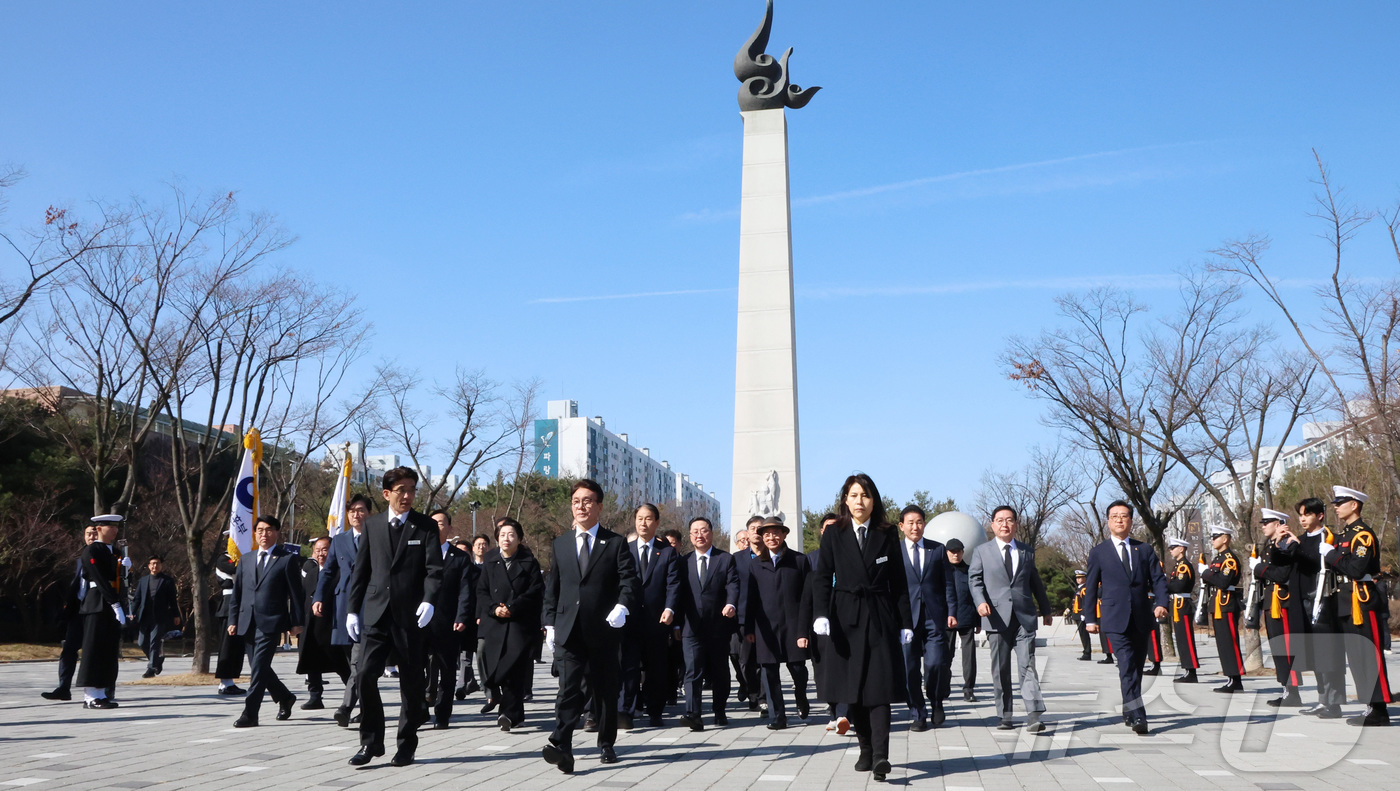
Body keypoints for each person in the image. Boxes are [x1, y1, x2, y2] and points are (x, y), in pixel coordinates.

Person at [813, 474, 913, 783]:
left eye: (866, 495)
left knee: (879, 689)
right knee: (852, 690)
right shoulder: (834, 534)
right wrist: (821, 614)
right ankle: (866, 747)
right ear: (845, 499)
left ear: (874, 500)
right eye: (854, 495)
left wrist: (905, 622)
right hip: (844, 618)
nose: (860, 501)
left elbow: (898, 584)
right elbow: (822, 576)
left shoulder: (886, 534)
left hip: (880, 617)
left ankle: (882, 756)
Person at [345, 467, 445, 767]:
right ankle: (371, 742)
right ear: (387, 493)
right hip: (376, 614)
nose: (407, 495)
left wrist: (429, 601)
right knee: (364, 675)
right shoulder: (372, 526)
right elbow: (361, 571)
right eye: (401, 489)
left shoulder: (425, 526)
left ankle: (406, 744)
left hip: (410, 617)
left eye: (412, 489)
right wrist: (352, 609)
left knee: (411, 685)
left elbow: (434, 571)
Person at [541, 479, 641, 774]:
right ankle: (563, 746)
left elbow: (629, 581)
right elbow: (553, 587)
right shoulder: (560, 543)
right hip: (569, 630)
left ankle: (606, 743)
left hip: (603, 630)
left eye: (587, 501)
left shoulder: (615, 543)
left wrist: (622, 606)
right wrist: (549, 623)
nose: (581, 506)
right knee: (568, 690)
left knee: (605, 690)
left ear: (599, 506)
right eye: (576, 501)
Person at [1082, 500, 1169, 735]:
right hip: (1114, 618)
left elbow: (1159, 579)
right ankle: (1138, 715)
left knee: (1137, 667)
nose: (1119, 520)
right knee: (1127, 664)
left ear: (1131, 520)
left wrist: (1161, 603)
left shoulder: (1145, 549)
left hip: (1141, 617)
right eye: (1115, 516)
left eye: (1124, 516)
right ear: (1108, 521)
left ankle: (1129, 709)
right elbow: (1090, 588)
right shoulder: (1099, 552)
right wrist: (1090, 618)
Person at [968, 505, 1052, 732]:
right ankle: (1005, 715)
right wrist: (980, 602)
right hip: (996, 618)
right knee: (1001, 669)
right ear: (992, 525)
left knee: (1028, 666)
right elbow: (974, 581)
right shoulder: (982, 551)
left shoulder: (1026, 551)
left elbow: (1035, 583)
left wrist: (1046, 610)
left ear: (1016, 524)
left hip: (1024, 618)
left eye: (1009, 520)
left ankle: (1034, 715)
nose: (1004, 524)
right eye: (999, 520)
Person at [1321, 486, 1393, 726]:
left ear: (1354, 505)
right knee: (1356, 657)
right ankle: (1370, 706)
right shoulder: (1343, 535)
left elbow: (1355, 569)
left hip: (1361, 601)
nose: (1336, 506)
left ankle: (1379, 709)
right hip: (1345, 601)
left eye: (1341, 502)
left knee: (1368, 655)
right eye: (1335, 502)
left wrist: (1331, 555)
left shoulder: (1362, 535)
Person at [229, 516, 305, 726]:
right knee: (258, 668)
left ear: (277, 532)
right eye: (260, 530)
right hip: (247, 621)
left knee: (259, 668)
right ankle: (285, 697)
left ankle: (250, 713)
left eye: (269, 530)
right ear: (255, 533)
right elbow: (238, 593)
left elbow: (296, 594)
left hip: (271, 621)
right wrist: (233, 619)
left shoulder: (286, 559)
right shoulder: (246, 559)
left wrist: (296, 622)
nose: (264, 534)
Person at [477, 517, 544, 731]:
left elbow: (535, 592)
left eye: (511, 535)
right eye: (502, 535)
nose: (506, 538)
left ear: (520, 539)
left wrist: (512, 608)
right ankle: (514, 712)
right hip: (494, 621)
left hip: (519, 622)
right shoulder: (490, 559)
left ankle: (507, 713)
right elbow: (482, 590)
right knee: (494, 665)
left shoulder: (529, 561)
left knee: (513, 668)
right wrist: (494, 608)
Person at [744, 517, 811, 729]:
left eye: (775, 533)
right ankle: (778, 717)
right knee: (769, 673)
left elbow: (807, 598)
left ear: (784, 535)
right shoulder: (755, 564)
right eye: (766, 534)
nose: (771, 538)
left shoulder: (799, 561)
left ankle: (801, 696)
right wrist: (748, 628)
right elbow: (750, 599)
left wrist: (804, 631)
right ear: (762, 538)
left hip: (793, 626)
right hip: (766, 628)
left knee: (798, 669)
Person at [621, 503, 681, 729]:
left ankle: (655, 710)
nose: (643, 523)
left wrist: (670, 608)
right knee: (628, 667)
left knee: (656, 668)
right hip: (629, 619)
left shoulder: (666, 552)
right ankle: (626, 711)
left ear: (656, 522)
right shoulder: (624, 549)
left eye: (648, 519)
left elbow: (673, 584)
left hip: (657, 620)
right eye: (639, 518)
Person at [897, 505, 957, 731]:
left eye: (919, 522)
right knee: (909, 668)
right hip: (906, 619)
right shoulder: (896, 551)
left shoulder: (938, 550)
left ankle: (936, 700)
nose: (915, 527)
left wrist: (951, 612)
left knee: (936, 664)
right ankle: (917, 713)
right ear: (902, 526)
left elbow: (948, 584)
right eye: (910, 523)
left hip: (935, 617)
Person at [678, 515, 740, 731]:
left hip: (718, 625)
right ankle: (693, 714)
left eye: (703, 530)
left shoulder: (725, 559)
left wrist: (731, 604)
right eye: (695, 531)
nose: (699, 535)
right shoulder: (682, 562)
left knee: (719, 670)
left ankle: (719, 710)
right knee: (692, 670)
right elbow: (677, 594)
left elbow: (733, 585)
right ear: (690, 536)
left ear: (711, 534)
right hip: (691, 626)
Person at [315, 493, 371, 726]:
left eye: (360, 510)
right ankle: (365, 706)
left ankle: (346, 707)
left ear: (369, 513)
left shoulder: (377, 536)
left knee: (359, 662)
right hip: (344, 604)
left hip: (369, 604)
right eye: (352, 511)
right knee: (353, 662)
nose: (356, 515)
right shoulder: (339, 540)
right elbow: (328, 572)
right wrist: (318, 597)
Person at [800, 513, 850, 731]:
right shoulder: (812, 563)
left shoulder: (850, 558)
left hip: (847, 625)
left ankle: (844, 715)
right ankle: (834, 712)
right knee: (825, 672)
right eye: (827, 528)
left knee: (846, 670)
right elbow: (805, 601)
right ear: (821, 532)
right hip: (820, 628)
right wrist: (802, 632)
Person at [1295, 497, 1344, 718]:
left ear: (1320, 516)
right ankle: (1322, 698)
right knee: (1315, 654)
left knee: (1328, 652)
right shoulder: (1301, 540)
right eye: (1301, 515)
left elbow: (1321, 562)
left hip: (1323, 600)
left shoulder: (1328, 537)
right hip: (1305, 599)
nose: (1302, 519)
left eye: (1307, 514)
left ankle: (1333, 702)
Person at [426, 509, 474, 729]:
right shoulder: (420, 554)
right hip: (421, 623)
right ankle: (418, 710)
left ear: (450, 528)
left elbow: (466, 590)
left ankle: (442, 714)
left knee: (446, 671)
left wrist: (462, 616)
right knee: (417, 668)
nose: (437, 527)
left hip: (448, 622)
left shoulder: (460, 558)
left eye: (441, 523)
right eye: (433, 523)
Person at [1251, 508, 1303, 707]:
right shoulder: (1270, 546)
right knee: (1278, 648)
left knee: (1287, 648)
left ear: (1279, 523)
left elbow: (1282, 574)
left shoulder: (1287, 544)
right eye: (1263, 523)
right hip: (1271, 601)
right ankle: (1286, 689)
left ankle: (1293, 691)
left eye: (1267, 522)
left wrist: (1258, 568)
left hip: (1283, 601)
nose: (1263, 526)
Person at [77, 514, 128, 709]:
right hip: (97, 603)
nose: (114, 530)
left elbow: (121, 582)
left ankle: (102, 692)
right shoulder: (92, 550)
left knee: (108, 650)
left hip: (111, 602)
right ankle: (90, 696)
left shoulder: (115, 551)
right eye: (110, 527)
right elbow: (99, 578)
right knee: (94, 649)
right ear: (99, 529)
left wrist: (126, 570)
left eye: (116, 527)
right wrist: (114, 604)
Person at [44, 524, 99, 701]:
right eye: (88, 534)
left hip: (96, 611)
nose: (91, 537)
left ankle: (101, 689)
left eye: (94, 533)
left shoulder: (107, 556)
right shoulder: (80, 558)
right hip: (78, 612)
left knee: (96, 652)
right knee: (68, 650)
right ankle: (64, 688)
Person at [297, 536, 349, 710]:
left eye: (325, 549)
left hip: (332, 624)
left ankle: (354, 693)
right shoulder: (311, 573)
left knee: (341, 662)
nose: (321, 554)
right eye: (317, 550)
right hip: (311, 625)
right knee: (311, 661)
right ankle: (315, 696)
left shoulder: (341, 572)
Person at [1199, 525, 1245, 693]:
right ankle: (1230, 678)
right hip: (1217, 603)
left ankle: (1236, 679)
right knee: (1222, 643)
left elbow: (1223, 582)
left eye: (1216, 536)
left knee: (1230, 641)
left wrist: (1205, 573)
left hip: (1227, 603)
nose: (1213, 539)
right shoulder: (1218, 559)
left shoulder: (1229, 559)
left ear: (1225, 538)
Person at [941, 538, 979, 703]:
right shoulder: (940, 571)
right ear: (947, 552)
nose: (955, 554)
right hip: (946, 619)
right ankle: (944, 686)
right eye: (952, 551)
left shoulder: (971, 571)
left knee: (969, 657)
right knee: (945, 655)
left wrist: (978, 621)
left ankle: (969, 689)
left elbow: (976, 596)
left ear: (963, 552)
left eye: (958, 551)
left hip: (967, 617)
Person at [732, 516, 763, 709]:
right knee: (745, 661)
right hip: (743, 617)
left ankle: (763, 698)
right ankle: (752, 692)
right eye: (753, 528)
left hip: (767, 617)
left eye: (760, 528)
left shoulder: (772, 555)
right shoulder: (736, 559)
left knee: (765, 661)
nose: (756, 532)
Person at [133, 554, 180, 679]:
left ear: (161, 565)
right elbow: (137, 599)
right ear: (148, 566)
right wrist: (131, 612)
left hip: (159, 617)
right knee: (142, 642)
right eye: (152, 563)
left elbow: (172, 601)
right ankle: (157, 661)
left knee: (154, 643)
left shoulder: (167, 581)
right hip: (145, 616)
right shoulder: (143, 581)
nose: (155, 566)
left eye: (157, 563)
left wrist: (176, 615)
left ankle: (151, 669)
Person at [1164, 537, 1200, 683]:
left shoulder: (1184, 566)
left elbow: (1178, 586)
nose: (1171, 550)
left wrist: (1163, 584)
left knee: (1186, 638)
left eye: (1173, 547)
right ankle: (1187, 669)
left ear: (1181, 549)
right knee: (1180, 639)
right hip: (1177, 603)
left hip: (1183, 603)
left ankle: (1191, 671)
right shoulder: (1178, 565)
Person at [212, 552, 248, 695]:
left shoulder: (243, 557)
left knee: (237, 647)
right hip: (228, 604)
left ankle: (230, 680)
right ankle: (224, 682)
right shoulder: (223, 558)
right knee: (227, 646)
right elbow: (235, 570)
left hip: (241, 602)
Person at [462, 534, 491, 703]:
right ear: (473, 548)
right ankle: (465, 683)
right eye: (478, 544)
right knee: (465, 654)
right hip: (469, 616)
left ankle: (487, 685)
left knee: (483, 652)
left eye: (484, 544)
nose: (481, 547)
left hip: (485, 616)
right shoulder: (468, 567)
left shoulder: (493, 565)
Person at [661, 527, 687, 705]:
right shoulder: (661, 561)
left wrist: (678, 624)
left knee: (677, 657)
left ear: (679, 544)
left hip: (679, 618)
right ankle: (668, 692)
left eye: (672, 543)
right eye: (666, 543)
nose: (670, 547)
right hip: (663, 616)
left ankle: (674, 689)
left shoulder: (684, 563)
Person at [1071, 570, 1091, 661]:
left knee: (1084, 635)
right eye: (1077, 578)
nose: (1078, 580)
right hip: (1077, 614)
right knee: (1082, 635)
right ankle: (1085, 651)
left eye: (1080, 578)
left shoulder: (1085, 588)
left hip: (1081, 614)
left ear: (1084, 578)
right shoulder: (1079, 588)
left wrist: (1084, 613)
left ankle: (1087, 653)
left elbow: (1086, 602)